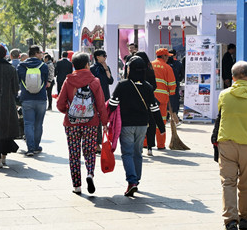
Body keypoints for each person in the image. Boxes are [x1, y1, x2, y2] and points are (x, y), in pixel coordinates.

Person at [216, 61, 247, 230]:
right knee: (246, 183)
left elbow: (221, 115)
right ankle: (244, 218)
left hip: (227, 143)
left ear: (233, 77)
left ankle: (230, 222)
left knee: (228, 182)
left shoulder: (224, 95)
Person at [108, 56, 165, 196]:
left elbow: (113, 104)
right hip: (142, 125)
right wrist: (161, 127)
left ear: (129, 69)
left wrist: (105, 119)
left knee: (127, 153)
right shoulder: (148, 87)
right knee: (137, 153)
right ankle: (136, 181)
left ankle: (132, 181)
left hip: (126, 125)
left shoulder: (122, 85)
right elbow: (154, 108)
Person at [56, 52, 109, 195]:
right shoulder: (95, 81)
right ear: (87, 64)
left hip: (71, 123)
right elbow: (100, 105)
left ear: (73, 65)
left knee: (74, 153)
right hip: (91, 122)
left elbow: (60, 104)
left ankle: (77, 186)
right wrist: (105, 122)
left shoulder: (68, 81)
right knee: (89, 151)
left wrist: (69, 110)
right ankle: (90, 174)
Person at [17, 45, 49, 156]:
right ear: (36, 53)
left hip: (26, 99)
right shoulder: (43, 66)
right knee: (38, 124)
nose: (41, 55)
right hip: (41, 99)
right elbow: (46, 82)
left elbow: (18, 82)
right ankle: (36, 146)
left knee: (28, 124)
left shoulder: (21, 66)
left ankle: (30, 149)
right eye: (40, 53)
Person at [133, 51, 158, 156]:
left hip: (136, 101)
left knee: (138, 124)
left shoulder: (134, 71)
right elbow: (155, 86)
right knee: (151, 123)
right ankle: (150, 148)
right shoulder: (150, 70)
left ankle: (139, 146)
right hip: (149, 100)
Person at [151, 48, 176, 150]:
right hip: (162, 99)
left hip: (150, 98)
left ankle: (145, 143)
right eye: (167, 56)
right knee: (161, 122)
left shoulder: (150, 65)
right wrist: (171, 93)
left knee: (149, 121)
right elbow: (172, 84)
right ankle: (160, 144)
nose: (168, 58)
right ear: (164, 56)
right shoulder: (167, 67)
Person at [167, 49, 183, 120]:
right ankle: (172, 115)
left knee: (172, 101)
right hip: (173, 86)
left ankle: (171, 115)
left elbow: (182, 74)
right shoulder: (177, 64)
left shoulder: (166, 64)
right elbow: (182, 74)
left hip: (170, 86)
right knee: (174, 101)